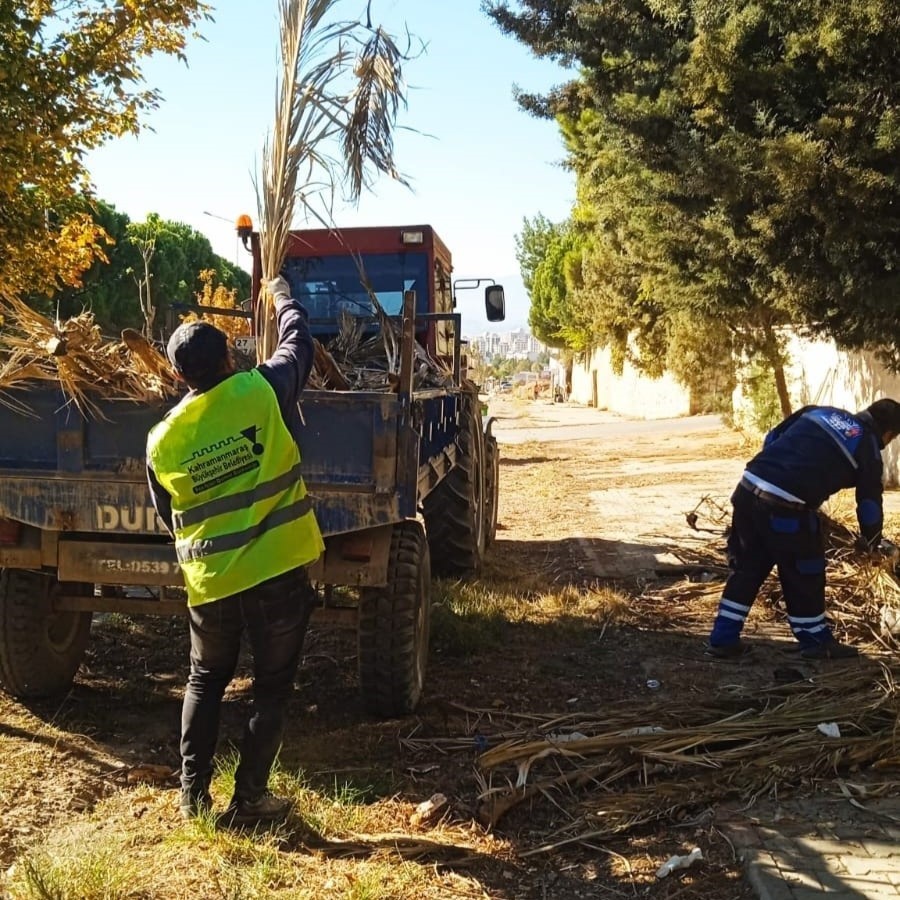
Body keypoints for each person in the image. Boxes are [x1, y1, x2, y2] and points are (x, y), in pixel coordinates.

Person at [146, 275, 324, 827]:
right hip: (277, 573)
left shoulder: (162, 438)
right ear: (229, 355)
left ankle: (192, 802)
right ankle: (249, 798)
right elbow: (299, 343)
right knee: (271, 687)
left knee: (204, 679)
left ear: (177, 375)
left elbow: (167, 514)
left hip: (213, 581)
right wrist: (284, 298)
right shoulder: (259, 389)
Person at [706, 398, 900, 660]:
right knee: (806, 569)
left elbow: (772, 437)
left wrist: (779, 476)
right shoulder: (867, 446)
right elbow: (869, 503)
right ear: (888, 434)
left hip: (747, 489)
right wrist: (873, 540)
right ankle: (815, 640)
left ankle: (723, 638)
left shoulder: (819, 412)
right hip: (786, 507)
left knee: (749, 566)